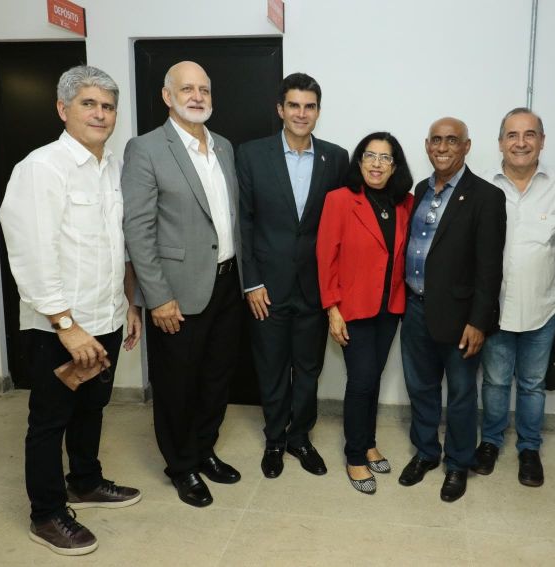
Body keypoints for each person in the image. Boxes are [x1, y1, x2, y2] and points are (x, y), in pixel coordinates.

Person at [0, 65, 141, 556]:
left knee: (92, 407)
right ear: (63, 109)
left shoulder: (112, 168)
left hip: (106, 316)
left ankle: (85, 480)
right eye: (89, 104)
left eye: (107, 106)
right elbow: (32, 254)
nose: (100, 114)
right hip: (58, 329)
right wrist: (65, 324)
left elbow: (115, 245)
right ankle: (47, 513)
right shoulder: (41, 168)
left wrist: (128, 303)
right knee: (49, 420)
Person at [121, 61, 243, 508]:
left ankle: (204, 449)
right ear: (166, 96)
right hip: (175, 292)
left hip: (227, 284)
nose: (197, 96)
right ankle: (182, 466)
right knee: (178, 385)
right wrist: (157, 298)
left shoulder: (224, 147)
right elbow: (138, 230)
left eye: (204, 89)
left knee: (216, 377)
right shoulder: (146, 149)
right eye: (187, 89)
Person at [237, 73, 349, 479]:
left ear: (318, 111)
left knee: (308, 367)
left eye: (310, 106)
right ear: (280, 109)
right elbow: (243, 223)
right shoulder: (251, 155)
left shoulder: (336, 158)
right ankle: (274, 440)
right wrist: (251, 280)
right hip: (265, 286)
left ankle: (300, 437)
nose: (302, 113)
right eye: (295, 106)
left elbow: (340, 226)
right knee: (271, 367)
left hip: (314, 287)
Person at [398, 117, 506, 502]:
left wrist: (478, 321)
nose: (442, 147)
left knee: (460, 394)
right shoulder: (420, 190)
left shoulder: (486, 197)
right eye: (436, 141)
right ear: (427, 145)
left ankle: (457, 463)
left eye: (452, 141)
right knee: (421, 388)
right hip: (414, 309)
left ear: (467, 146)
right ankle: (426, 453)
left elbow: (490, 268)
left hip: (460, 318)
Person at [474, 108, 555, 486]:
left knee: (533, 384)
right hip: (495, 307)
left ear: (542, 140)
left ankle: (530, 449)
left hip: (543, 305)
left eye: (529, 134)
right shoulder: (481, 184)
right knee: (497, 381)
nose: (521, 143)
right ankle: (490, 442)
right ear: (500, 142)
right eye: (513, 135)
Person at [316, 132, 414, 494]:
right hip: (352, 308)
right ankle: (355, 455)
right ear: (358, 162)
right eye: (369, 156)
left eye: (385, 158)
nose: (376, 163)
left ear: (395, 166)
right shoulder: (340, 200)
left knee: (373, 377)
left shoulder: (406, 203)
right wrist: (332, 309)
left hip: (390, 307)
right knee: (360, 381)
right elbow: (325, 257)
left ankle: (369, 441)